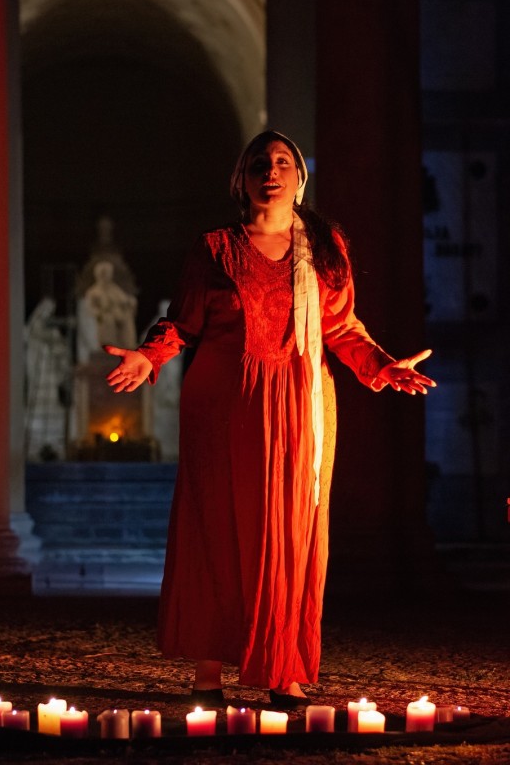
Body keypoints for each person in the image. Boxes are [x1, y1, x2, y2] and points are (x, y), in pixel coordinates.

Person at [104, 131, 436, 708]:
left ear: (300, 179)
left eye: (284, 161)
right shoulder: (214, 248)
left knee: (292, 531)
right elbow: (183, 323)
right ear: (242, 180)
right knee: (221, 528)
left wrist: (383, 366)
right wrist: (147, 354)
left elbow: (340, 326)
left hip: (301, 406)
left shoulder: (325, 249)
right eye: (260, 162)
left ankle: (285, 670)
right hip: (225, 407)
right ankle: (208, 672)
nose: (272, 170)